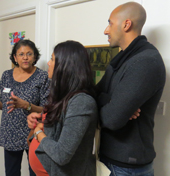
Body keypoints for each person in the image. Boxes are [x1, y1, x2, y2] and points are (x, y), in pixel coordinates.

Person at [96, 2, 166, 176]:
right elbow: (93, 93)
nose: (106, 30)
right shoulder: (122, 59)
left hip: (127, 167)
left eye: (110, 23)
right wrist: (111, 101)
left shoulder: (145, 61)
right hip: (111, 160)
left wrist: (115, 107)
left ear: (126, 24)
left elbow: (112, 119)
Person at [0, 39, 50, 176]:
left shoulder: (43, 77)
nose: (25, 57)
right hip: (10, 133)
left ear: (35, 57)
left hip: (34, 132)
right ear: (15, 57)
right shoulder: (6, 75)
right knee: (11, 172)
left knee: (35, 172)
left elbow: (47, 110)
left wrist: (27, 105)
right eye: (21, 54)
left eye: (29, 54)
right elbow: (3, 104)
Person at [27, 40, 98, 176]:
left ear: (66, 66)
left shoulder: (81, 102)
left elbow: (61, 154)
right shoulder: (64, 95)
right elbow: (59, 131)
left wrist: (38, 133)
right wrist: (41, 123)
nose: (48, 63)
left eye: (52, 59)